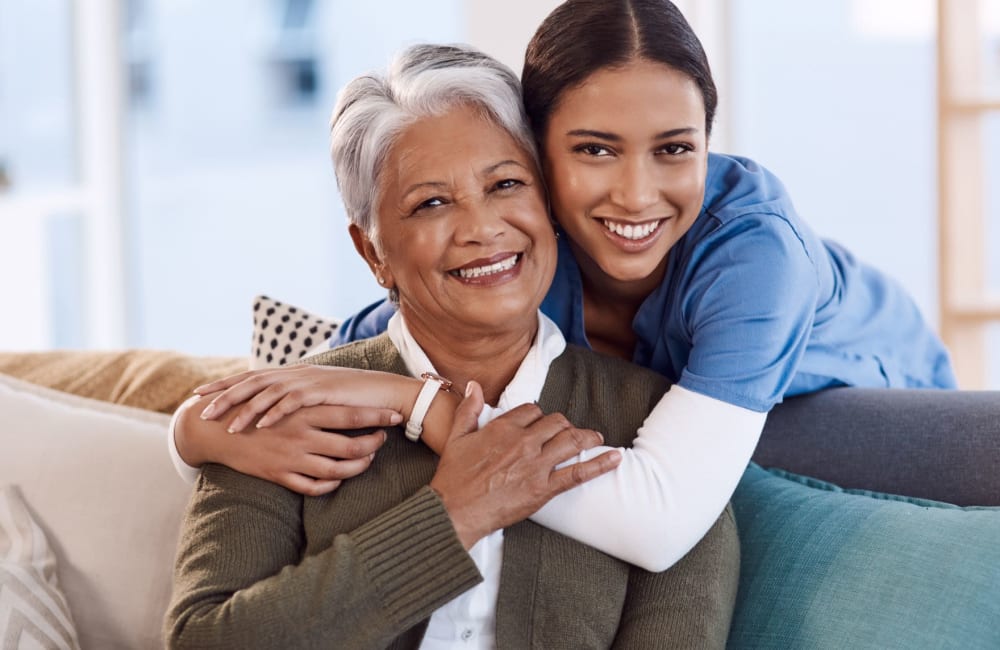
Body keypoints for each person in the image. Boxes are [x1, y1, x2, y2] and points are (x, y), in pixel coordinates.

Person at [174, 0, 955, 568]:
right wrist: (190, 435)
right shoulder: (523, 255)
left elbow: (658, 524)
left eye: (675, 148)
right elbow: (338, 366)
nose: (638, 195)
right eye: (594, 150)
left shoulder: (753, 256)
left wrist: (423, 408)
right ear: (537, 156)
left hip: (880, 408)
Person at [165, 44, 739, 649]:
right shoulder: (286, 411)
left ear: (548, 205)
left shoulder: (657, 434)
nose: (482, 229)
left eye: (506, 184)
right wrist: (452, 516)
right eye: (431, 203)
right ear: (373, 253)